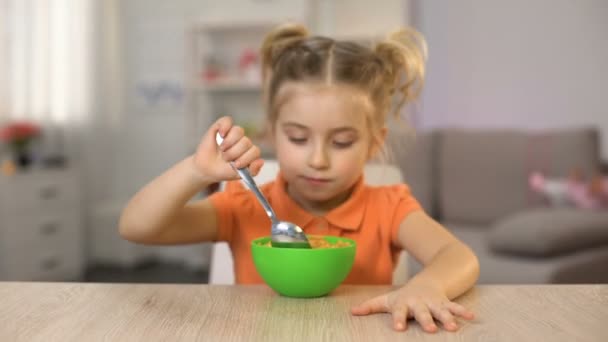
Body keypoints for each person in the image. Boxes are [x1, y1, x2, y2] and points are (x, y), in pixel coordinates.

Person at [119, 23, 479, 333]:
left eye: (341, 141)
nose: (318, 159)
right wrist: (195, 171)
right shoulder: (243, 205)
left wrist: (427, 286)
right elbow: (137, 227)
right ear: (273, 133)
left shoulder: (389, 207)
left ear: (374, 143)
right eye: (298, 138)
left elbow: (459, 257)